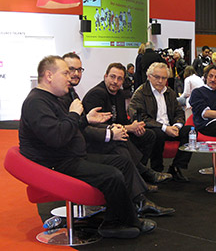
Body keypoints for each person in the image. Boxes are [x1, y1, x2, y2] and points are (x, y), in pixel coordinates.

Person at [19, 55, 159, 239]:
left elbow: (66, 129)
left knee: (121, 162)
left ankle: (118, 218)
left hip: (68, 157)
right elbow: (58, 137)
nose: (70, 78)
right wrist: (75, 114)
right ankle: (120, 223)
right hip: (56, 163)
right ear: (49, 76)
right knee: (112, 174)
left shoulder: (51, 98)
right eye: (65, 73)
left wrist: (85, 119)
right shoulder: (36, 102)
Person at [62, 54, 171, 190]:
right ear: (105, 76)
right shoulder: (96, 94)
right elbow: (91, 125)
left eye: (119, 78)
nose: (115, 81)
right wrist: (123, 129)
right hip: (94, 138)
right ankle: (142, 176)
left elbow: (121, 120)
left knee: (147, 135)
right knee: (121, 140)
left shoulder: (119, 94)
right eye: (112, 77)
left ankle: (139, 176)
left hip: (106, 132)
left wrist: (131, 127)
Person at [129, 62, 193, 182]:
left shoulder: (170, 93)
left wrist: (177, 126)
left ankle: (176, 167)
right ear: (149, 77)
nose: (160, 81)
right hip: (154, 128)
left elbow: (179, 112)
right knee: (156, 133)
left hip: (171, 127)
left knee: (190, 131)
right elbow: (140, 117)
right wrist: (164, 128)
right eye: (157, 77)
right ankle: (157, 169)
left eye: (164, 78)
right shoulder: (140, 93)